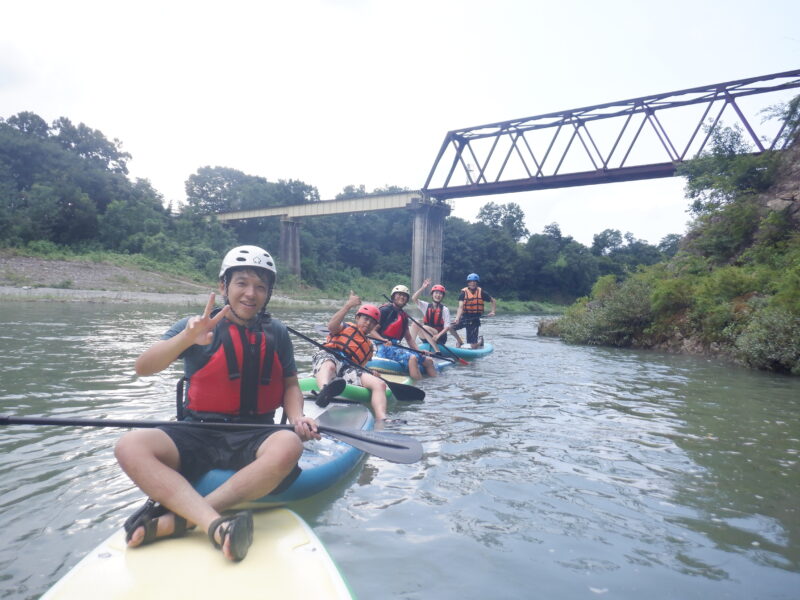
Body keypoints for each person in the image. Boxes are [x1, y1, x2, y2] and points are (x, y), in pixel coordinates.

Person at [114, 245, 320, 563]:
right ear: (223, 286)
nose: (251, 293)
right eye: (242, 283)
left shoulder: (276, 333)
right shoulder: (196, 325)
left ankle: (179, 519)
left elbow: (291, 384)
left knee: (289, 445)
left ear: (268, 293)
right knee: (129, 445)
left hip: (256, 432)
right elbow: (143, 367)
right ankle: (213, 523)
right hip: (198, 429)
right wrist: (185, 338)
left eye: (260, 286)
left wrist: (296, 417)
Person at [311, 291, 389, 421]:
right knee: (330, 366)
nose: (368, 323)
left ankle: (382, 418)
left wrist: (370, 372)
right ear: (357, 318)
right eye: (366, 319)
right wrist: (348, 306)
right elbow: (331, 326)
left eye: (372, 322)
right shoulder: (344, 326)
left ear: (375, 326)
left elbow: (360, 367)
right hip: (330, 355)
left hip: (348, 368)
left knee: (380, 384)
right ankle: (324, 391)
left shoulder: (369, 347)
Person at [372, 284, 437, 380]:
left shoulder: (403, 316)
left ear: (407, 300)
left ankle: (435, 386)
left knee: (428, 361)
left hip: (395, 347)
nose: (402, 297)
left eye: (404, 296)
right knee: (412, 358)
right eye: (399, 294)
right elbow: (372, 331)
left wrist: (419, 351)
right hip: (383, 347)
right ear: (393, 296)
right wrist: (383, 340)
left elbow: (409, 339)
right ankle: (418, 386)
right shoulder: (385, 311)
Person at [410, 278, 462, 350]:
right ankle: (411, 347)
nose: (438, 295)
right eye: (436, 293)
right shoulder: (426, 306)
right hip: (426, 336)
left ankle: (437, 350)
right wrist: (423, 287)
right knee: (415, 322)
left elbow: (447, 327)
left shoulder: (445, 309)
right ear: (432, 294)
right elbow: (414, 298)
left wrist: (438, 335)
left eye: (440, 293)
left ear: (442, 296)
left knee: (425, 327)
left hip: (439, 338)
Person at [452, 273, 496, 348]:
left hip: (475, 320)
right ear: (468, 283)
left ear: (477, 283)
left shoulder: (481, 292)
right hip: (464, 317)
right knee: (450, 327)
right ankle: (460, 341)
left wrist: (493, 311)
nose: (472, 283)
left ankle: (480, 341)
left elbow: (493, 301)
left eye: (474, 281)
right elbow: (460, 307)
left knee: (472, 346)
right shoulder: (463, 293)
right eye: (470, 281)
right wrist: (457, 318)